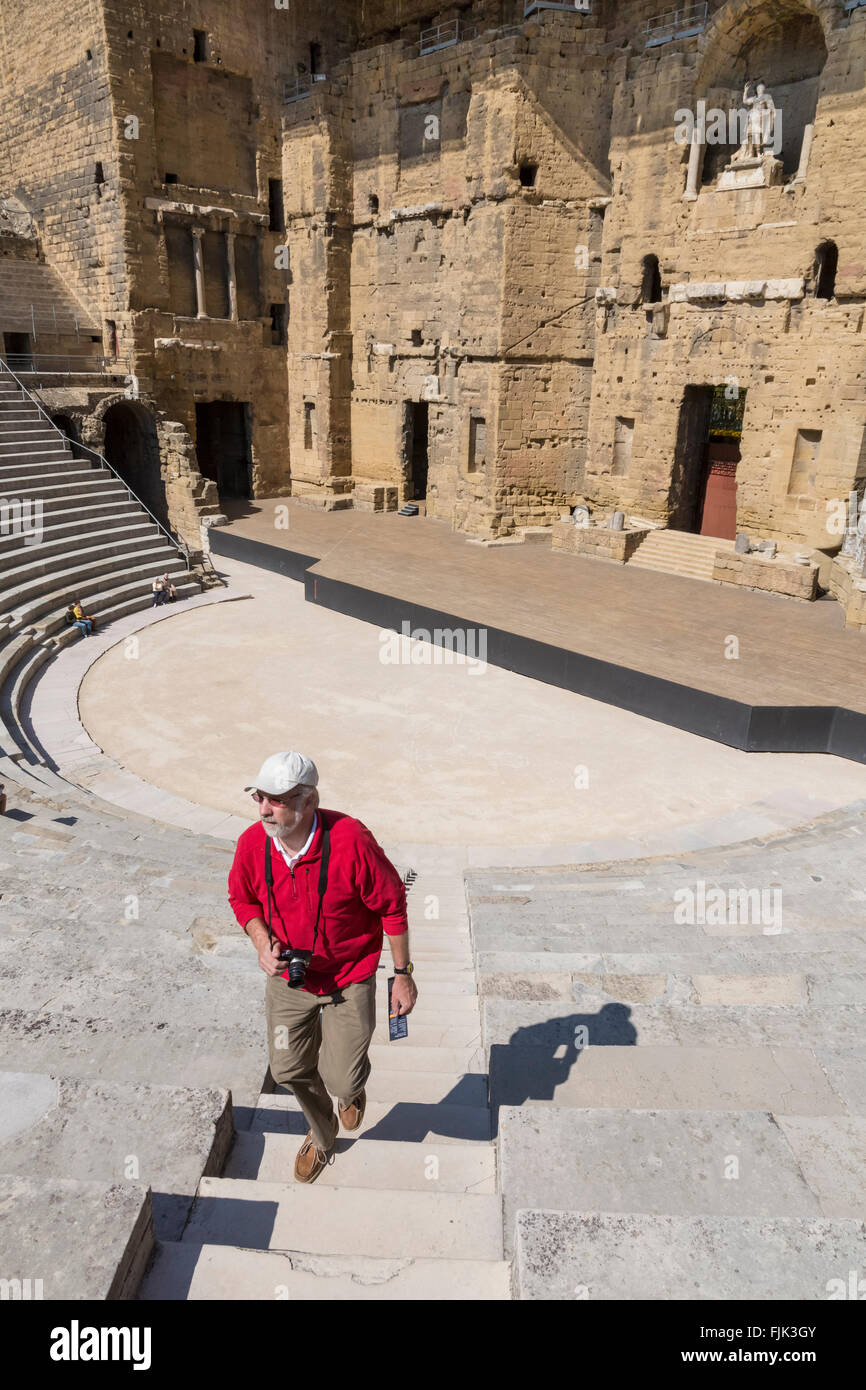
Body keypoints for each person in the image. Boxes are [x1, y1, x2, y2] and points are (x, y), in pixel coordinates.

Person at [228, 751, 417, 1184]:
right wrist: (261, 941)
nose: (263, 809)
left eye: (275, 800)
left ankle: (351, 1090)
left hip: (350, 977)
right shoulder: (252, 843)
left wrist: (402, 974)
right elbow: (242, 899)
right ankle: (323, 1134)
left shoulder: (352, 841)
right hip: (289, 978)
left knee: (340, 1078)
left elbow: (392, 905)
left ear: (308, 801)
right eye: (259, 797)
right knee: (286, 1069)